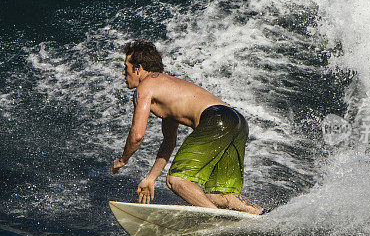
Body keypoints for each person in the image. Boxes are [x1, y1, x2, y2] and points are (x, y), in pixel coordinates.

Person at [110, 40, 263, 214]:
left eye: (126, 67)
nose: (123, 73)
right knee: (219, 195)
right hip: (237, 121)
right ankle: (263, 216)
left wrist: (123, 160)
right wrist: (150, 178)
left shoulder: (145, 88)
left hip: (216, 118)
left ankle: (219, 222)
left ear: (137, 69)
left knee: (176, 180)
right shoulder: (168, 88)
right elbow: (169, 142)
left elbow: (137, 135)